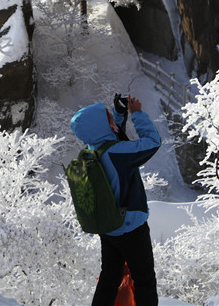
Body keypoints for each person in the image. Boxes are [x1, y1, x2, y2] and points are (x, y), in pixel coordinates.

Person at [70, 95, 161, 306]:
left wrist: (119, 114)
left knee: (110, 278)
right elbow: (152, 143)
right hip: (131, 228)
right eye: (108, 116)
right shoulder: (118, 153)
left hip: (109, 227)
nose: (111, 117)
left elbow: (112, 140)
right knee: (144, 279)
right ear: (102, 125)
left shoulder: (92, 151)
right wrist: (137, 114)